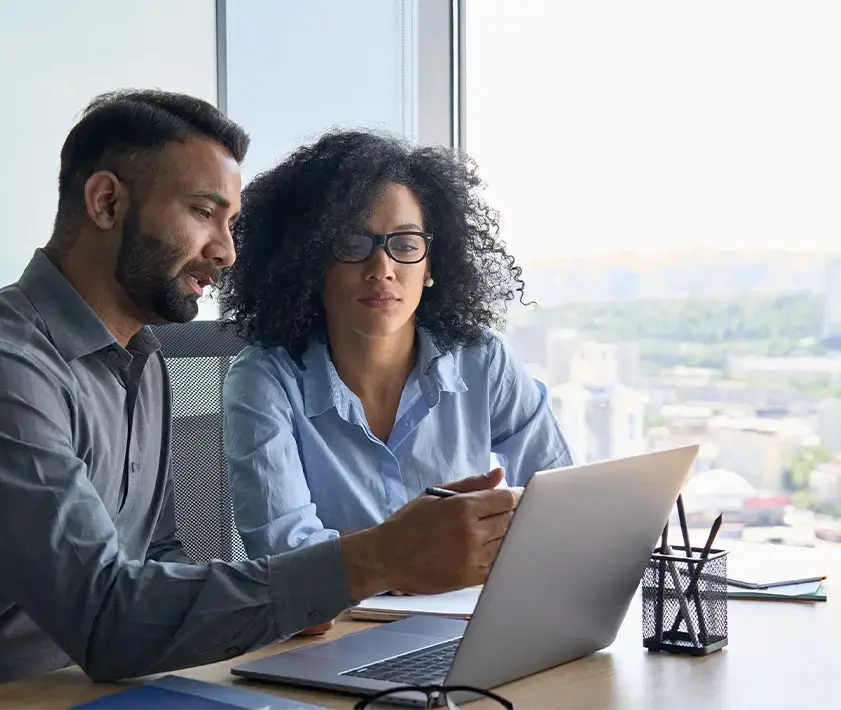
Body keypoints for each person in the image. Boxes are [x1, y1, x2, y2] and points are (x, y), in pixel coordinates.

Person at [0, 90, 518, 684]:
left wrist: (283, 601)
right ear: (107, 202)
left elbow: (158, 559)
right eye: (202, 212)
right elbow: (107, 619)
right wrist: (372, 560)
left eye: (231, 223)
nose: (225, 252)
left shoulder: (141, 358)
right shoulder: (13, 368)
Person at [218, 131, 574, 570]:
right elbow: (287, 557)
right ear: (309, 262)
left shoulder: (483, 360)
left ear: (430, 266)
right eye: (352, 244)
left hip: (466, 619)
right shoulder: (264, 379)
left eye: (405, 245)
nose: (382, 269)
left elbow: (561, 500)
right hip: (337, 630)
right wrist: (419, 560)